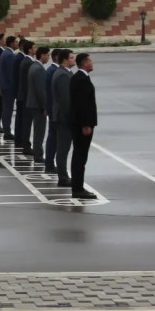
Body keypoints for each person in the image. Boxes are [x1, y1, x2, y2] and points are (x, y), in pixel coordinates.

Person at [69, 53, 98, 200]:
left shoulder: (80, 78)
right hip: (82, 125)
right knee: (80, 156)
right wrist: (86, 124)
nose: (92, 63)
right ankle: (78, 188)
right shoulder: (81, 80)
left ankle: (78, 186)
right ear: (84, 63)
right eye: (90, 61)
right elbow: (82, 105)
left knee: (79, 156)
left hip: (79, 123)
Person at [51, 49, 75, 187]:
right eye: (71, 58)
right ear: (65, 60)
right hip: (63, 118)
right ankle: (63, 177)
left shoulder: (65, 73)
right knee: (63, 148)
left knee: (63, 147)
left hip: (62, 116)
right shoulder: (62, 75)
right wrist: (70, 117)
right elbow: (66, 100)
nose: (73, 60)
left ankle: (63, 175)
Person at [25, 46, 50, 164]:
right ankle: (38, 154)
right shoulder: (39, 69)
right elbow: (41, 91)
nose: (48, 58)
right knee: (39, 131)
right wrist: (45, 106)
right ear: (42, 55)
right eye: (47, 55)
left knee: (37, 130)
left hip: (32, 103)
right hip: (37, 105)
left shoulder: (33, 66)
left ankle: (37, 152)